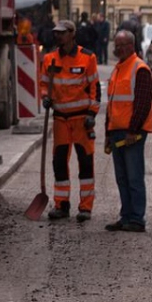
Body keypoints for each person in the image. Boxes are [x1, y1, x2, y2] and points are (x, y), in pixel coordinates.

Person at [39, 20, 101, 222]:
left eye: (62, 33)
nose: (58, 36)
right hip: (60, 120)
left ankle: (85, 208)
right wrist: (44, 97)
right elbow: (43, 84)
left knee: (85, 163)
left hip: (81, 119)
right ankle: (61, 205)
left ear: (72, 34)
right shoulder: (50, 59)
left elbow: (95, 88)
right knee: (59, 162)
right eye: (56, 33)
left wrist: (92, 113)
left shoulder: (87, 57)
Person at [104, 30, 152, 233]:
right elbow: (112, 104)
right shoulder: (118, 69)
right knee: (122, 178)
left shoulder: (139, 68)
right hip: (117, 131)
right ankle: (126, 217)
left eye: (123, 44)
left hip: (132, 132)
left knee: (133, 177)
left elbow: (142, 103)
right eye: (117, 44)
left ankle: (136, 219)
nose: (119, 48)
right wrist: (107, 133)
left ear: (132, 46)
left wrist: (133, 130)